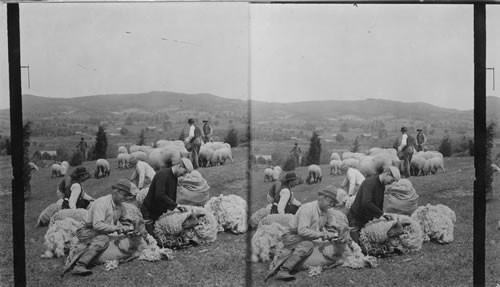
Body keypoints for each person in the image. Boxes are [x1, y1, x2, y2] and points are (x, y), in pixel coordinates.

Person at [272, 185, 343, 281]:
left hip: (306, 236)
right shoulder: (308, 209)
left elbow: (333, 227)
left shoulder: (326, 212)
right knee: (307, 245)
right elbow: (302, 231)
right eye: (330, 202)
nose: (331, 205)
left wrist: (338, 233)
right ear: (323, 198)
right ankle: (284, 270)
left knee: (322, 245)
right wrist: (322, 234)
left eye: (333, 203)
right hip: (292, 236)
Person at [71, 178, 137, 275]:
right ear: (117, 191)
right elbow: (97, 225)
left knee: (116, 239)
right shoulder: (102, 203)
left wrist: (130, 227)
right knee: (103, 239)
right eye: (125, 195)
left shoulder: (120, 206)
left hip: (102, 230)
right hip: (86, 230)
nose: (126, 198)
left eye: (128, 196)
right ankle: (80, 265)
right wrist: (117, 228)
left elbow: (126, 221)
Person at [347, 166, 401, 245]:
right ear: (387, 174)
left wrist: (382, 217)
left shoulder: (381, 186)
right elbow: (366, 202)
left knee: (374, 244)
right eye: (392, 180)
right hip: (355, 219)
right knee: (358, 246)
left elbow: (379, 203)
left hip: (366, 220)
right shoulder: (370, 182)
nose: (391, 183)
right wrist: (381, 214)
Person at [141, 158, 194, 236]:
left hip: (159, 212)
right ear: (180, 166)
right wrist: (175, 205)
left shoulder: (174, 177)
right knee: (153, 240)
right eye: (185, 172)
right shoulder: (162, 174)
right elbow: (159, 195)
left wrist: (175, 209)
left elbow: (171, 195)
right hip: (149, 212)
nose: (184, 175)